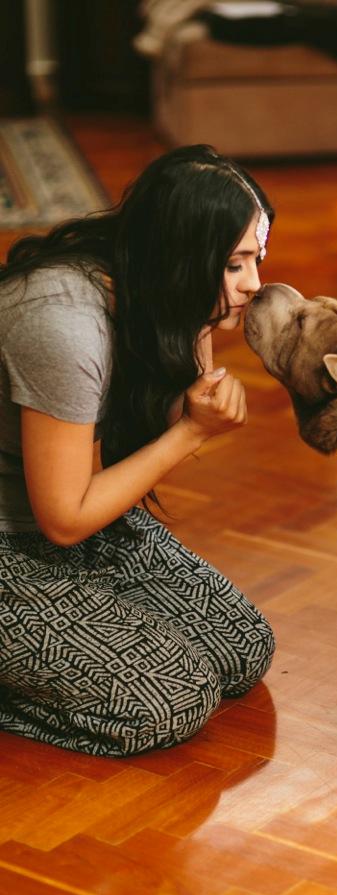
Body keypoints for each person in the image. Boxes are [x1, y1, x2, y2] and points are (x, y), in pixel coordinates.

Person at [0, 144, 275, 757]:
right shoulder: (61, 324)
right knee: (167, 701)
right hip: (23, 530)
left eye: (256, 257)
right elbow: (66, 519)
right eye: (233, 265)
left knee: (242, 647)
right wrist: (192, 433)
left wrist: (202, 320)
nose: (255, 284)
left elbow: (134, 441)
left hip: (53, 515)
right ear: (179, 258)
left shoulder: (152, 289)